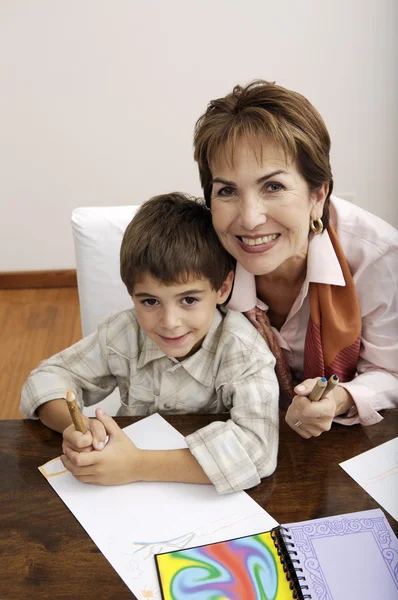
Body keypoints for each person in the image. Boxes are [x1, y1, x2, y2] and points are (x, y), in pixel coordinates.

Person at [20, 193, 279, 494]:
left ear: (222, 288)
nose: (169, 322)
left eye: (189, 300)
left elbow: (258, 451)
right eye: (150, 301)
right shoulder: (124, 332)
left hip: (197, 497)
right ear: (131, 294)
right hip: (121, 491)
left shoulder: (243, 351)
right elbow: (45, 380)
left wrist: (137, 465)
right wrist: (74, 427)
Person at [193, 80, 398, 439]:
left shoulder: (377, 256)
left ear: (318, 195)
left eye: (273, 186)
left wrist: (339, 398)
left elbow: (391, 372)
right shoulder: (198, 259)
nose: (250, 218)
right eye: (227, 191)